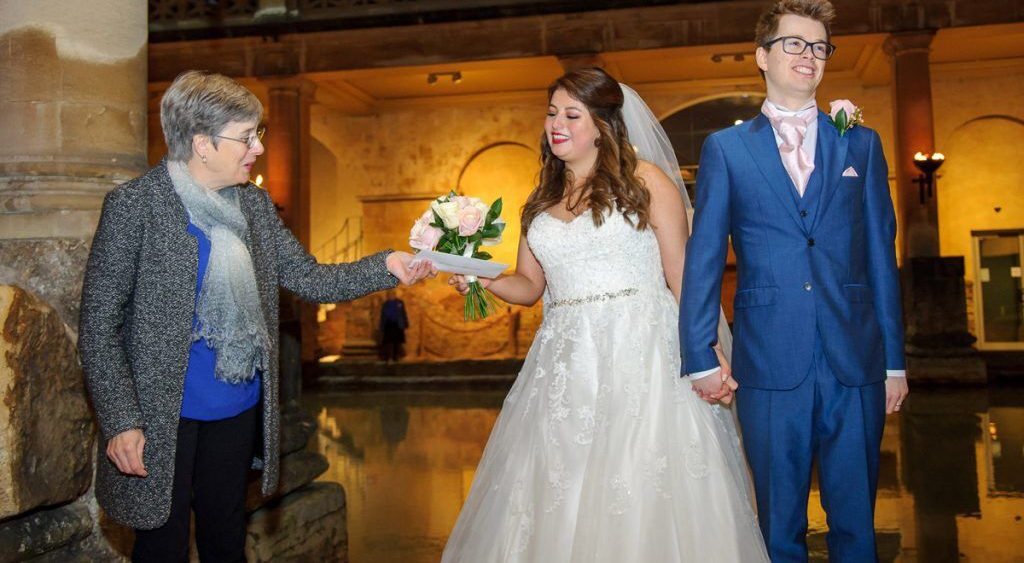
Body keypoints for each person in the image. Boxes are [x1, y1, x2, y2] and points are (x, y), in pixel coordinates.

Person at [78, 70, 435, 562]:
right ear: (202, 143)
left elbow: (311, 278)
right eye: (246, 137)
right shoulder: (135, 206)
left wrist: (388, 265)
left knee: (227, 538)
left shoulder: (255, 205)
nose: (258, 149)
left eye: (257, 135)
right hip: (162, 417)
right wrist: (120, 420)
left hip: (237, 406)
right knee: (161, 546)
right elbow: (99, 326)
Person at [441, 68, 767, 562]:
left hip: (644, 353)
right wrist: (480, 275)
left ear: (602, 124)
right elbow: (529, 287)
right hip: (566, 362)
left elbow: (684, 277)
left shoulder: (646, 181)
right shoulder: (540, 201)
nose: (557, 123)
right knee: (561, 483)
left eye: (572, 114)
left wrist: (707, 350)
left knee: (640, 477)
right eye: (552, 112)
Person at [680, 0, 909, 562]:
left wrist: (895, 361)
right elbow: (704, 256)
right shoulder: (726, 150)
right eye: (793, 44)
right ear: (762, 56)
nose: (808, 55)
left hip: (856, 360)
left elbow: (881, 254)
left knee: (857, 523)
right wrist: (700, 353)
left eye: (819, 47)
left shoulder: (861, 141)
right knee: (778, 526)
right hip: (768, 359)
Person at [379, 291, 409, 362]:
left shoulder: (399, 303)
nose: (391, 296)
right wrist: (381, 326)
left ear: (395, 295)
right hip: (389, 325)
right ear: (387, 296)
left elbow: (403, 313)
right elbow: (383, 316)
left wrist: (405, 323)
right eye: (389, 295)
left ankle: (396, 357)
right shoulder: (385, 304)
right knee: (388, 342)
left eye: (392, 294)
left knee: (397, 342)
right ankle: (388, 357)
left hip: (397, 325)